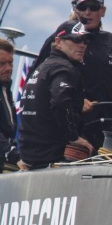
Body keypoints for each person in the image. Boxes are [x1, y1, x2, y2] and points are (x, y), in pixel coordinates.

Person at [31, 0, 112, 151]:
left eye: (94, 7)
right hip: (61, 132)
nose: (87, 12)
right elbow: (36, 82)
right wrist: (76, 102)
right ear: (75, 9)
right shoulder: (60, 37)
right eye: (82, 7)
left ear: (103, 11)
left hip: (99, 132)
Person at [18, 21, 94, 170]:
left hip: (30, 156)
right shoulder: (63, 68)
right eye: (76, 40)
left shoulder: (42, 67)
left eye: (85, 41)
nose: (82, 45)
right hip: (51, 157)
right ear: (58, 42)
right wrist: (73, 137)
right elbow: (60, 102)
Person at [0, 39, 20, 171]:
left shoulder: (5, 88)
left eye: (11, 62)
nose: (9, 68)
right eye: (2, 64)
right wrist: (11, 153)